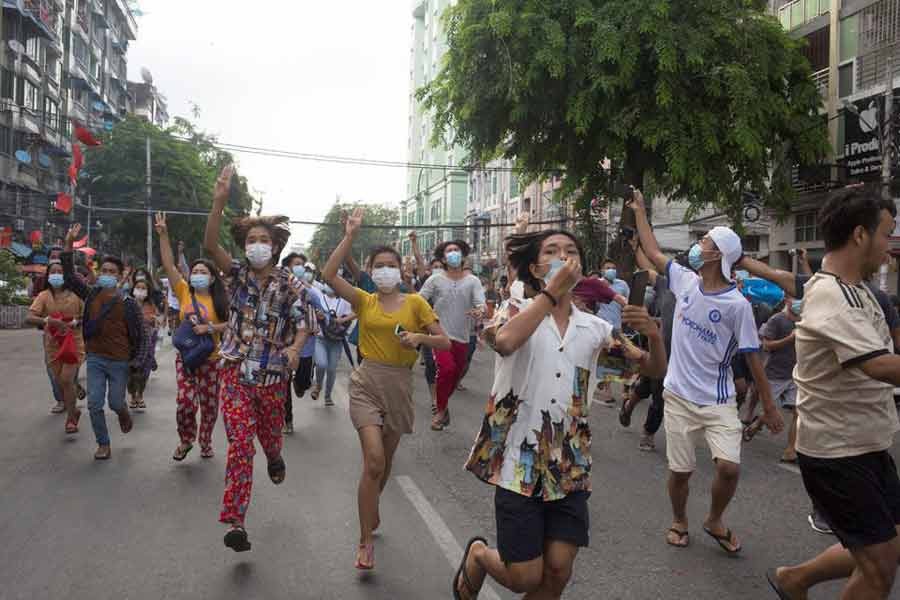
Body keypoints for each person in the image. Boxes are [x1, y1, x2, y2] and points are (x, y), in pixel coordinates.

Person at [452, 229, 667, 600]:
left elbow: (652, 370)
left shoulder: (597, 329)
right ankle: (480, 556)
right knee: (524, 577)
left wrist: (656, 336)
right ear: (535, 267)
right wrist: (551, 294)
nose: (563, 256)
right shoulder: (513, 309)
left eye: (570, 251)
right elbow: (504, 342)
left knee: (557, 571)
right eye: (552, 252)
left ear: (581, 267)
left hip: (569, 461)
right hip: (516, 458)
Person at [630, 188, 783, 553]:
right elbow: (652, 252)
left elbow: (751, 357)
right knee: (681, 473)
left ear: (719, 255)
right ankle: (679, 520)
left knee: (729, 468)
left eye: (705, 241)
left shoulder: (737, 306)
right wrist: (639, 210)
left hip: (719, 400)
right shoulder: (684, 280)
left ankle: (714, 519)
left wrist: (770, 406)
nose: (698, 245)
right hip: (679, 396)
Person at [767, 187, 900, 600]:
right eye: (886, 234)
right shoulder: (831, 295)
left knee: (888, 547)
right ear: (860, 235)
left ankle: (795, 579)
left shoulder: (862, 292)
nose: (889, 245)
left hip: (867, 442)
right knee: (878, 569)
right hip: (837, 453)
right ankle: (795, 579)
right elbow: (877, 365)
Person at [322, 207, 450, 571]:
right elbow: (329, 274)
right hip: (366, 382)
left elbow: (444, 343)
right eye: (378, 265)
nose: (384, 270)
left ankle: (372, 505)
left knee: (386, 463)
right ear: (371, 269)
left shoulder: (416, 302)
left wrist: (419, 337)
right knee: (373, 460)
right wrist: (349, 235)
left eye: (391, 264)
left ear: (400, 269)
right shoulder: (365, 300)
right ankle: (364, 542)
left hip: (400, 386)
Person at [204, 165, 314, 552]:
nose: (256, 245)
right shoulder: (235, 275)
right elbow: (210, 245)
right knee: (239, 445)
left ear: (275, 245)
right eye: (251, 239)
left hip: (271, 379)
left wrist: (295, 349)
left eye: (263, 239)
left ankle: (275, 455)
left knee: (268, 438)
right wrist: (219, 202)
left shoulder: (289, 283)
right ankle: (236, 520)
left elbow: (306, 321)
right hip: (234, 371)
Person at [61, 224, 147, 460]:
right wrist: (68, 243)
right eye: (105, 270)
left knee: (116, 402)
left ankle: (123, 413)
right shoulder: (91, 295)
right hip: (96, 359)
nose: (107, 274)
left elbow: (142, 336)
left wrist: (138, 361)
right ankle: (103, 443)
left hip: (120, 362)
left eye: (112, 271)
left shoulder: (129, 303)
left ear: (120, 276)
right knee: (94, 404)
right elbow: (69, 276)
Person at [156, 213, 229, 460]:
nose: (197, 274)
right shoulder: (184, 291)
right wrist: (163, 234)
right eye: (195, 270)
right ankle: (186, 440)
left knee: (209, 408)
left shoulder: (222, 299)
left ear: (211, 277)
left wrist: (210, 328)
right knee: (185, 403)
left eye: (202, 271)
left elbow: (233, 325)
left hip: (211, 361)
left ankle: (205, 441)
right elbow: (168, 264)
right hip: (186, 358)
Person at [418, 240, 486, 430]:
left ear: (463, 255)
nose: (453, 253)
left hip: (464, 337)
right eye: (449, 251)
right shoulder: (435, 279)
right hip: (440, 336)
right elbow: (419, 301)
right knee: (446, 369)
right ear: (443, 258)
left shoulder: (473, 281)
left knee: (455, 377)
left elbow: (481, 304)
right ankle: (440, 411)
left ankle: (443, 406)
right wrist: (425, 322)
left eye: (457, 250)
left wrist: (479, 311)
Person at [618, 243, 676, 452]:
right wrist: (635, 248)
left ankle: (645, 428)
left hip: (679, 359)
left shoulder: (704, 296)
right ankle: (634, 416)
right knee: (646, 388)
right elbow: (647, 270)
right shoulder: (666, 285)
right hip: (657, 349)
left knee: (658, 397)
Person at [26, 258, 86, 435]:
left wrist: (76, 321)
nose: (57, 275)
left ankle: (70, 419)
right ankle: (74, 410)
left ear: (66, 275)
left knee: (67, 379)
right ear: (48, 275)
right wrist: (47, 320)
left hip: (74, 343)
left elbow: (88, 316)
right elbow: (29, 317)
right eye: (53, 272)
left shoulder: (76, 295)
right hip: (53, 345)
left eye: (60, 272)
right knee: (62, 383)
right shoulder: (43, 296)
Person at [753, 298, 803, 463]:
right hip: (775, 373)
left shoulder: (804, 321)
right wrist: (789, 339)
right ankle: (758, 422)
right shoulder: (777, 320)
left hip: (795, 375)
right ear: (788, 301)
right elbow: (767, 345)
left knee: (798, 411)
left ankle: (790, 450)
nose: (800, 304)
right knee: (769, 410)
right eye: (797, 300)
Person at [312, 282, 354, 407]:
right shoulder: (319, 296)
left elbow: (357, 312)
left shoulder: (344, 300)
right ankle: (318, 386)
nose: (330, 285)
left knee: (331, 369)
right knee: (321, 364)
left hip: (336, 340)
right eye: (328, 283)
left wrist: (342, 319)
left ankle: (328, 396)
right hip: (320, 338)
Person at [595, 259, 630, 407]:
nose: (611, 270)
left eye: (613, 267)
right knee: (600, 359)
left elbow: (629, 303)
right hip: (598, 327)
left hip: (616, 328)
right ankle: (606, 390)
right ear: (602, 270)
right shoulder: (596, 284)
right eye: (608, 268)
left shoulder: (622, 285)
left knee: (615, 361)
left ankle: (618, 391)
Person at [126, 277, 159, 411]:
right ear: (133, 289)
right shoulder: (128, 304)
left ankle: (140, 395)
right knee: (131, 372)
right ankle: (133, 395)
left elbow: (155, 322)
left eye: (143, 288)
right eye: (138, 287)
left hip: (148, 343)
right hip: (132, 344)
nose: (140, 290)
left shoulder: (151, 304)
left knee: (144, 372)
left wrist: (154, 321)